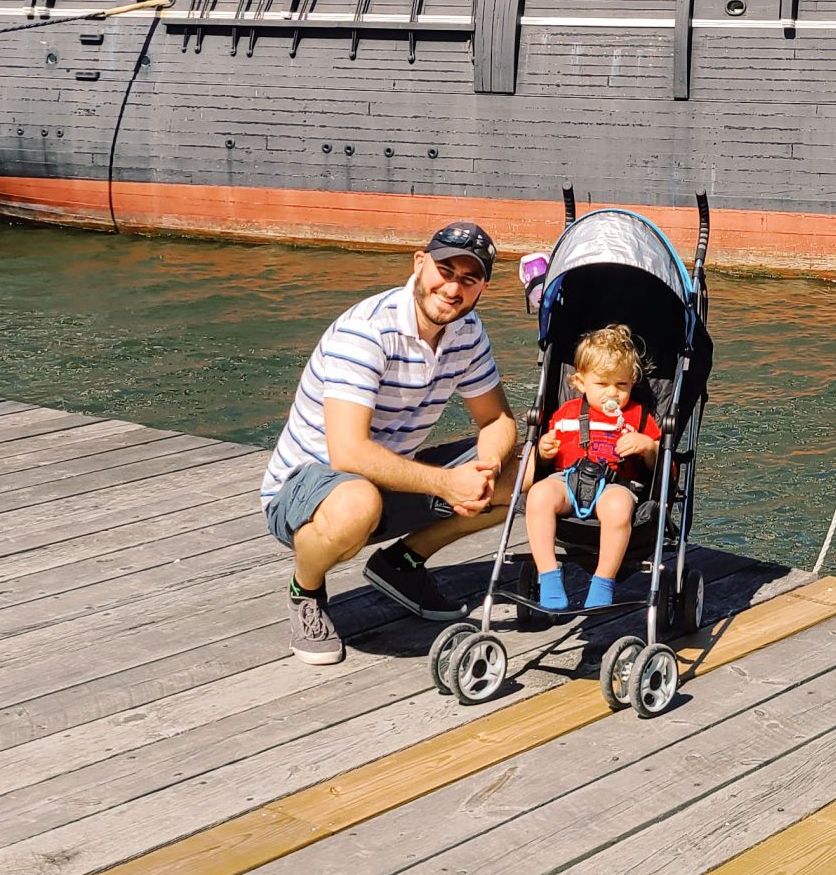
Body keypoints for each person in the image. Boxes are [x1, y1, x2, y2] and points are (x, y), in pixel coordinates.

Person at [260, 222, 519, 666]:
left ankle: (401, 563)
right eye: (445, 270)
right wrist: (447, 485)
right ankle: (305, 590)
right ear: (420, 263)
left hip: (390, 476)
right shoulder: (367, 331)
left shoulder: (467, 331)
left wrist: (487, 469)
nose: (453, 287)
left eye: (468, 278)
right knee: (356, 503)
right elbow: (349, 453)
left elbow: (497, 419)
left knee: (528, 468)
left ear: (482, 288)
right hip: (308, 487)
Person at [525, 323, 662, 612]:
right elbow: (547, 461)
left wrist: (647, 447)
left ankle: (603, 581)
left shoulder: (638, 416)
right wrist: (545, 451)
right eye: (602, 384)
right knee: (538, 495)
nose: (613, 393)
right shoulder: (566, 414)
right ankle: (548, 574)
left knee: (617, 507)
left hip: (615, 483)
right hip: (568, 479)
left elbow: (664, 469)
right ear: (579, 382)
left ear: (632, 382)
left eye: (622, 385)